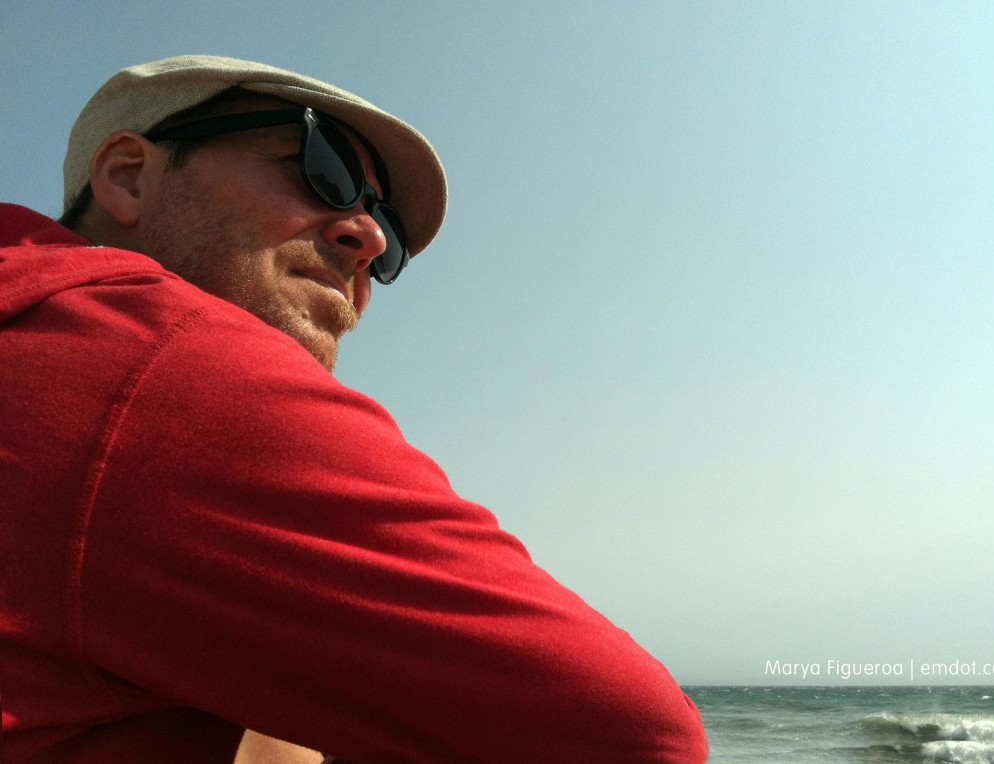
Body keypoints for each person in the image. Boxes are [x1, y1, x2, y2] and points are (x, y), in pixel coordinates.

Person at [0, 55, 708, 763]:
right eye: (320, 168)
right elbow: (639, 738)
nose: (366, 238)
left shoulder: (36, 329)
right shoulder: (163, 365)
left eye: (389, 234)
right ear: (128, 174)